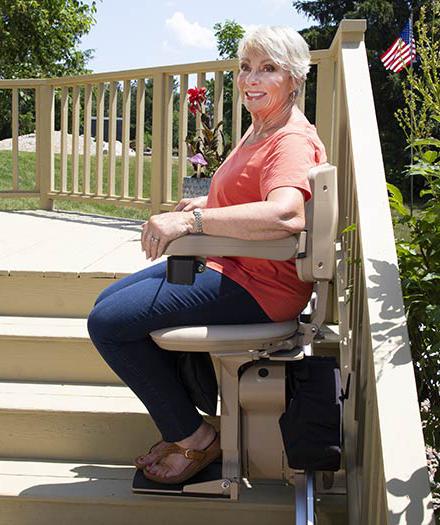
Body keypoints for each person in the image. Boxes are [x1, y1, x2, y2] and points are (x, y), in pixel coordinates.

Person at [87, 25, 327, 485]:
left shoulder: (290, 140)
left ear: (295, 79)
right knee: (106, 304)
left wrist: (190, 223)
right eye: (245, 68)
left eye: (268, 69)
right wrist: (208, 204)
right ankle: (185, 418)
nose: (250, 79)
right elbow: (250, 196)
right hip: (230, 266)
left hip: (260, 286)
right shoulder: (261, 128)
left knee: (108, 326)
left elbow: (284, 215)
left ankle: (194, 436)